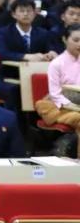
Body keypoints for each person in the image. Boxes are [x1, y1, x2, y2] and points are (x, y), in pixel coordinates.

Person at [34, 24, 80, 155]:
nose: (79, 44)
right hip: (61, 106)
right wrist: (74, 106)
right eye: (76, 40)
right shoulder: (57, 63)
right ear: (65, 39)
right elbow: (55, 94)